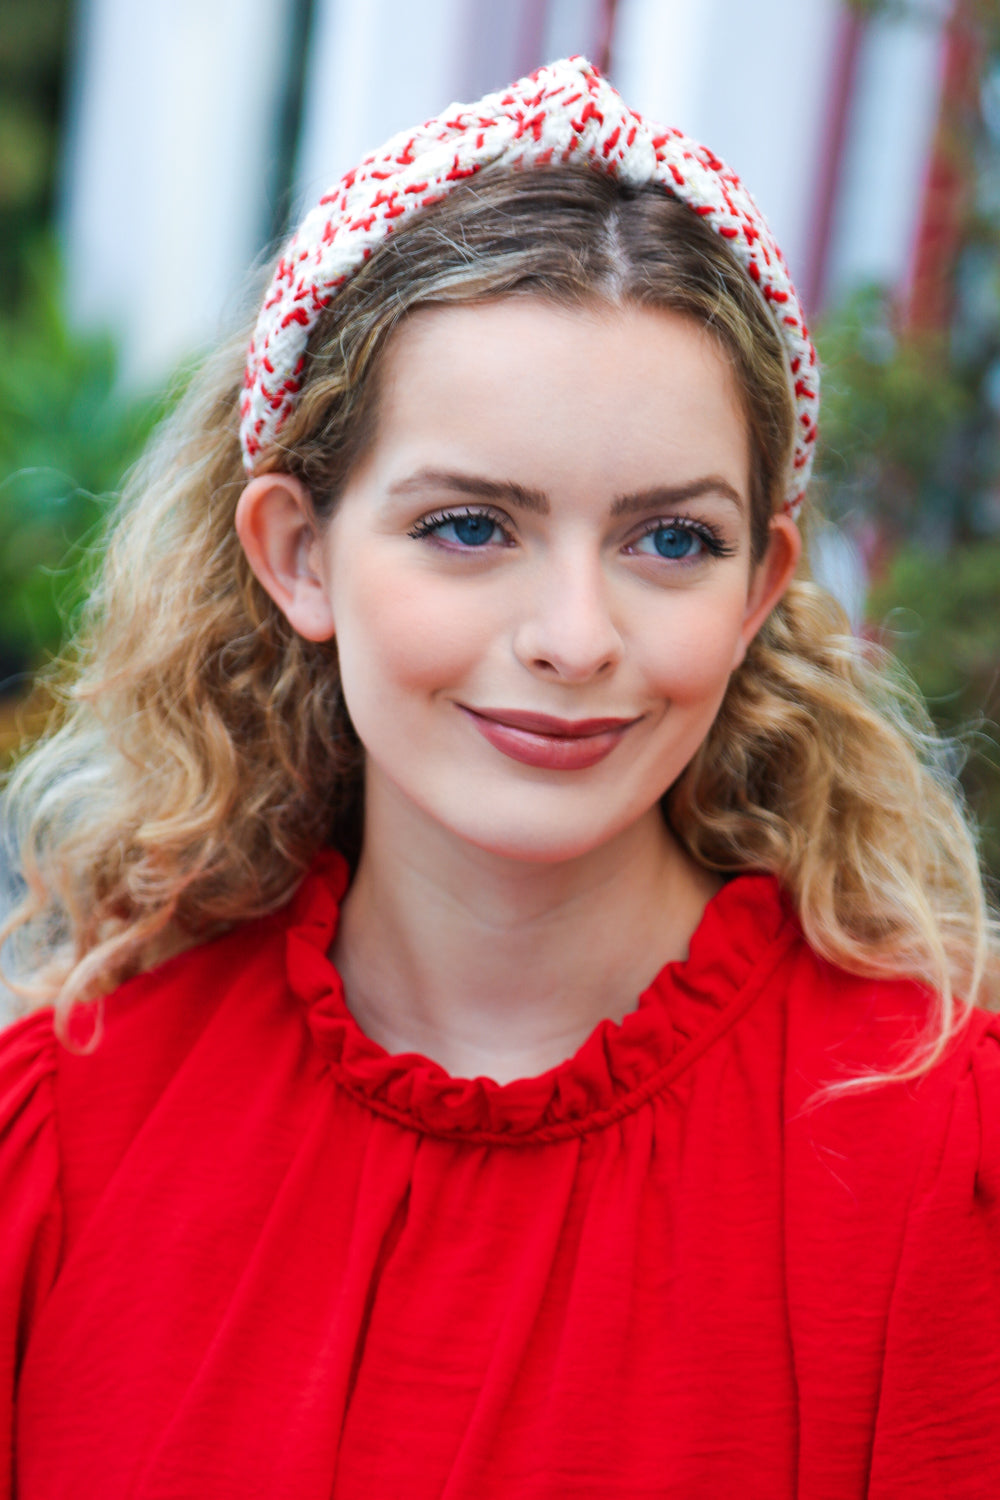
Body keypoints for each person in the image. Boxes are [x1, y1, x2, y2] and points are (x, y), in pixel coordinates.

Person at [0, 56, 997, 1499]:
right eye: (471, 526)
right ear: (298, 553)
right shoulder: (62, 1133)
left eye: (671, 541)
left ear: (764, 582)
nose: (575, 639)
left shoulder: (927, 1164)